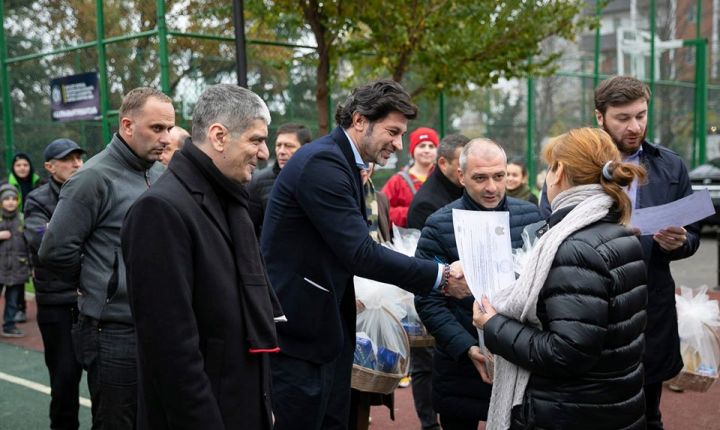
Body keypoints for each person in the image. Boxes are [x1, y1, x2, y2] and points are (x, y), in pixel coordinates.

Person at [261, 79, 468, 430]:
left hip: (323, 328)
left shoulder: (338, 160)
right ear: (360, 120)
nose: (398, 145)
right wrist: (441, 277)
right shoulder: (323, 163)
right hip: (301, 334)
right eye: (393, 131)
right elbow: (360, 251)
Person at [540, 76, 700, 429]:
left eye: (641, 115)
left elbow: (694, 236)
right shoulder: (573, 162)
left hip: (649, 306)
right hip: (587, 304)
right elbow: (548, 222)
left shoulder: (671, 166)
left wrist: (681, 242)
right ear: (600, 117)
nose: (635, 126)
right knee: (593, 412)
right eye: (623, 118)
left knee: (648, 412)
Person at [122, 84, 280, 429]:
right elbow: (171, 351)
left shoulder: (231, 198)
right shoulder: (160, 210)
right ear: (219, 136)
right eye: (256, 140)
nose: (265, 153)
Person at [474, 127, 648, 430]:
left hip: (571, 411)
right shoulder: (619, 232)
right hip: (611, 404)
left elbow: (567, 353)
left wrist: (493, 326)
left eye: (549, 167)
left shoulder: (574, 246)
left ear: (559, 172)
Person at [39, 87, 172, 428]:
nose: (166, 138)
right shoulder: (91, 178)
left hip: (157, 325)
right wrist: (98, 285)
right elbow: (55, 249)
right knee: (117, 421)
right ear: (128, 126)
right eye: (157, 128)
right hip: (112, 330)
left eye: (169, 129)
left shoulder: (158, 174)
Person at [414, 139, 543, 430]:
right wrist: (466, 347)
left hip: (519, 356)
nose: (492, 187)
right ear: (461, 177)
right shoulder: (438, 224)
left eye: (499, 176)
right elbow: (427, 299)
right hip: (460, 365)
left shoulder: (530, 216)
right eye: (480, 178)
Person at [24, 138, 85, 429]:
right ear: (49, 166)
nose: (77, 164)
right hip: (57, 307)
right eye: (68, 159)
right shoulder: (37, 200)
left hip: (92, 304)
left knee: (108, 382)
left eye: (79, 158)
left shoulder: (91, 191)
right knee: (64, 381)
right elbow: (44, 242)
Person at [247, 123, 312, 236]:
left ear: (306, 148)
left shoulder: (319, 180)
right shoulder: (258, 182)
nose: (281, 151)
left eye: (288, 146)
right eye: (278, 145)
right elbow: (250, 230)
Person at [407, 133, 468, 230]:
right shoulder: (425, 205)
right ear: (443, 163)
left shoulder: (465, 187)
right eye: (463, 164)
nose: (470, 169)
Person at [382, 127, 439, 227]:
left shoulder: (442, 178)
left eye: (431, 146)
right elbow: (381, 210)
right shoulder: (398, 181)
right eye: (422, 146)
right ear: (412, 150)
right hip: (408, 238)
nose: (427, 150)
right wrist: (411, 213)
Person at [7, 152, 40, 323]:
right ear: (13, 168)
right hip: (16, 235)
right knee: (18, 272)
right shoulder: (7, 187)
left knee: (39, 268)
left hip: (36, 232)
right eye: (18, 165)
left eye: (25, 165)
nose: (22, 168)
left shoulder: (39, 183)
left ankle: (42, 303)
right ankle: (20, 308)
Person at [0, 184, 30, 338]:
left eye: (14, 199)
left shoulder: (22, 220)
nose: (11, 202)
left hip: (18, 267)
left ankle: (9, 325)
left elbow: (30, 243)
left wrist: (31, 266)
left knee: (13, 300)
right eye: (6, 199)